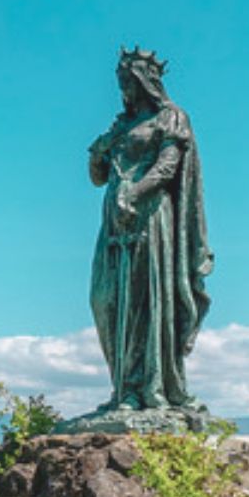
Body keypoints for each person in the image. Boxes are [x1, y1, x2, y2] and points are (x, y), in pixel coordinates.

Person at [85, 47, 212, 415]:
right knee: (106, 301)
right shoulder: (120, 126)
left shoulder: (170, 118)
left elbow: (167, 168)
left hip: (150, 218)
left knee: (144, 301)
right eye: (119, 80)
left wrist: (134, 194)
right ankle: (123, 386)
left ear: (145, 81)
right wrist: (97, 154)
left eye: (128, 79)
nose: (122, 86)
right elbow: (98, 179)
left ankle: (146, 389)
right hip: (113, 223)